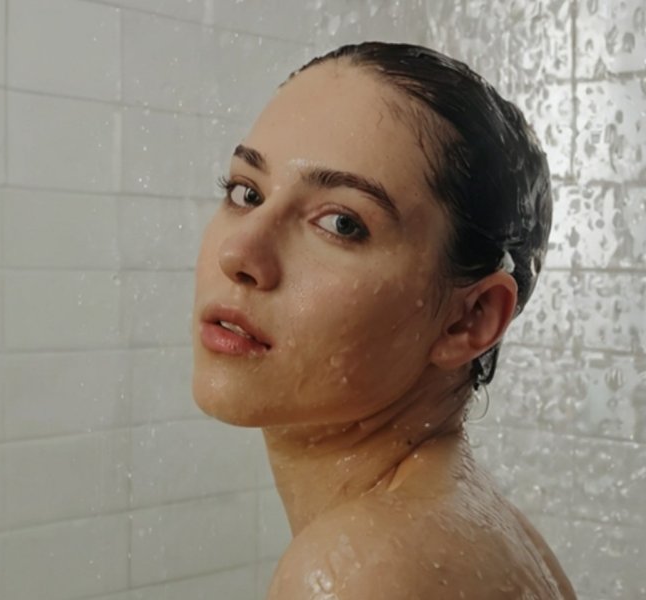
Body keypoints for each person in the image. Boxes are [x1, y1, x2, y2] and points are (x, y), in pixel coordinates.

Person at [191, 42, 575, 599]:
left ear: (470, 318)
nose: (239, 254)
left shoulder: (356, 574)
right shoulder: (476, 524)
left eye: (342, 224)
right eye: (247, 193)